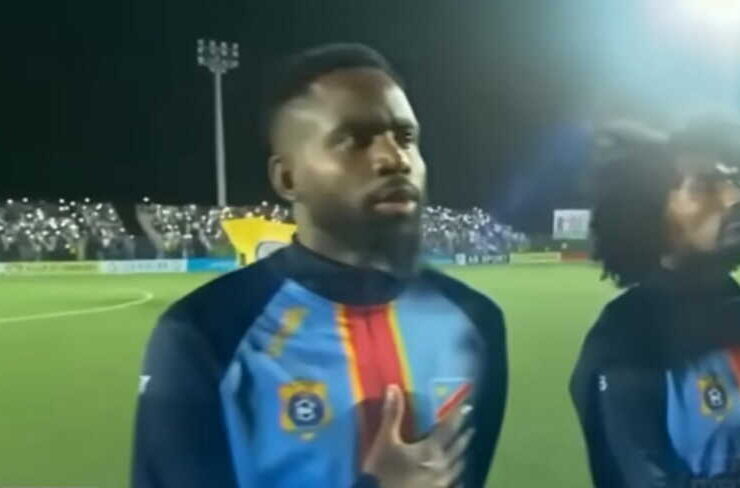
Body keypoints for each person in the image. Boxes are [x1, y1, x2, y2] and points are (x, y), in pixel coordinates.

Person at [131, 43, 507, 488]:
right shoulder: (205, 337)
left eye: (406, 137)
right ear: (287, 178)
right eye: (355, 140)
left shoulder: (475, 323)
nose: (395, 158)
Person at [571, 121, 740, 486]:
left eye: (731, 181)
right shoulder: (623, 338)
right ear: (651, 210)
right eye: (704, 186)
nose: (731, 198)